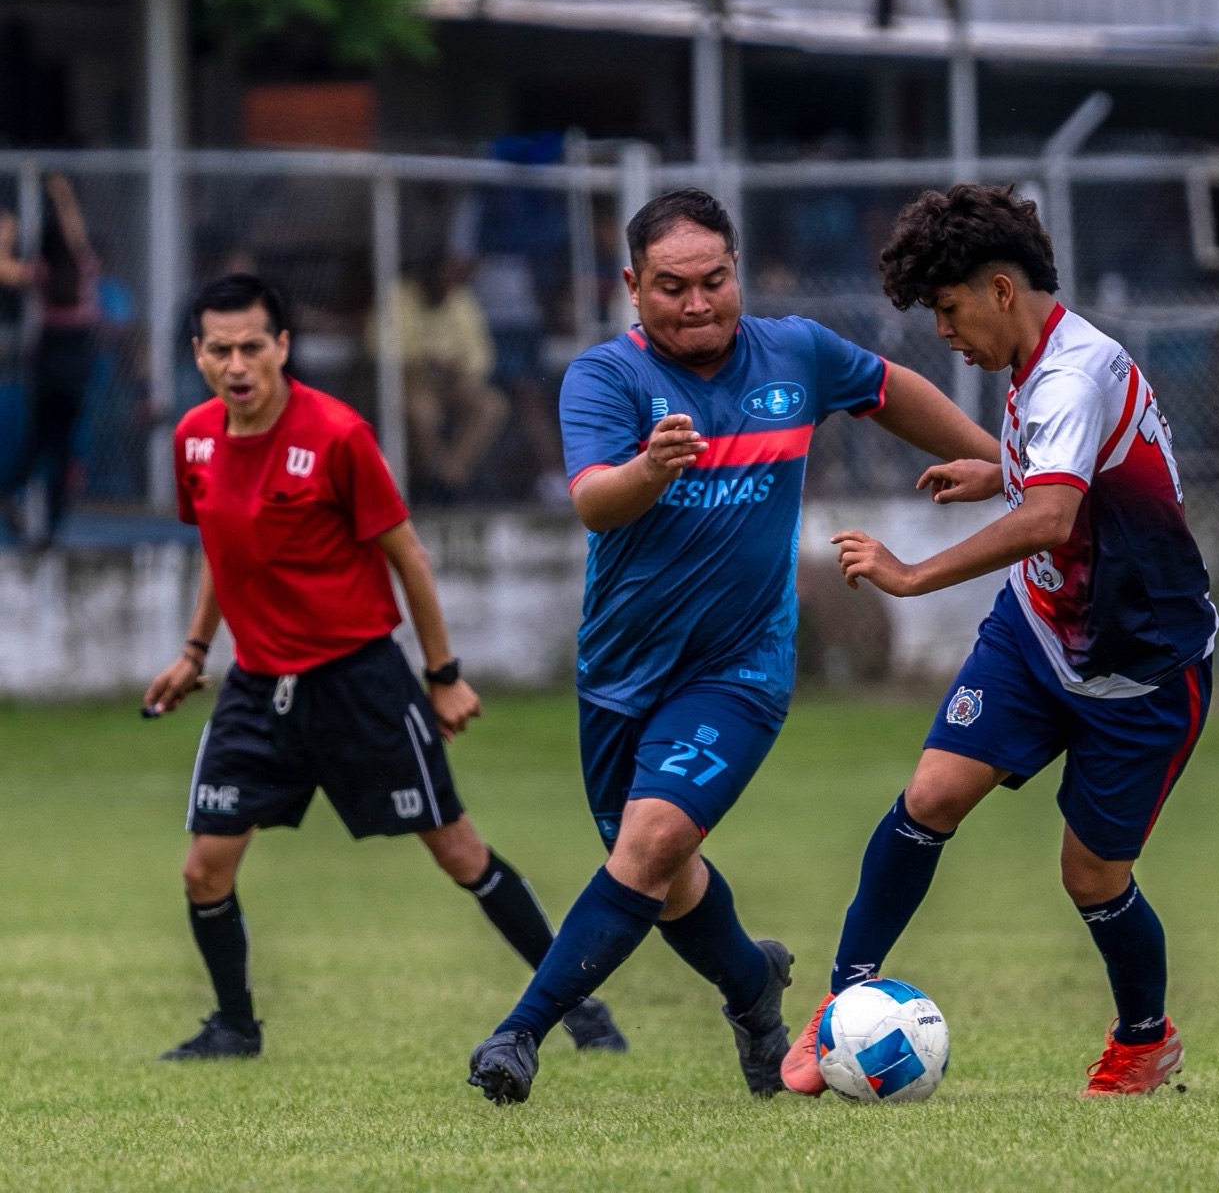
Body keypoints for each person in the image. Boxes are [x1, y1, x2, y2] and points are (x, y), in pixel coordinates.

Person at [464, 188, 998, 1105]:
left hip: (739, 670)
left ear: (736, 272)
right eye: (672, 287)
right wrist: (649, 468)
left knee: (651, 842)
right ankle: (754, 989)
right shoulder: (604, 378)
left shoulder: (795, 352)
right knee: (663, 877)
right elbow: (594, 502)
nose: (697, 303)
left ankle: (520, 1034)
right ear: (633, 286)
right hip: (621, 674)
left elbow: (888, 389)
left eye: (714, 280)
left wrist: (1005, 462)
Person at [779, 184, 1218, 1099]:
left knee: (1091, 877)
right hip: (1038, 630)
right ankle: (842, 1002)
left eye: (949, 309)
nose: (944, 331)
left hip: (1141, 668)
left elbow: (1052, 517)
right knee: (932, 793)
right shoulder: (1040, 360)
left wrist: (911, 574)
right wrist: (1000, 470)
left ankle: (1145, 1040)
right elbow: (1065, 484)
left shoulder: (1070, 376)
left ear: (1002, 290)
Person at [146, 273, 625, 1060]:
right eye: (220, 350)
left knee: (459, 853)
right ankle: (234, 1026)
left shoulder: (336, 435)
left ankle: (577, 1005)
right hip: (259, 688)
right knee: (205, 868)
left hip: (359, 681)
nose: (237, 365)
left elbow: (410, 558)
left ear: (282, 347)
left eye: (252, 347)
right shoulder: (194, 438)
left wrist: (444, 675)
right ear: (197, 353)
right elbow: (222, 552)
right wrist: (195, 652)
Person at [0, 174, 100, 548]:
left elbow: (5, 269)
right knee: (60, 444)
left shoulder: (43, 274)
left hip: (50, 364)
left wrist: (6, 234)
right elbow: (76, 235)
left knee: (41, 440)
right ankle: (50, 522)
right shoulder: (83, 268)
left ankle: (13, 493)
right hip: (74, 366)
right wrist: (63, 195)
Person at [391, 257, 509, 497]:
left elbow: (481, 353)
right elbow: (381, 347)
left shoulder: (459, 297)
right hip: (412, 382)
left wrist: (458, 366)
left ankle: (451, 475)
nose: (447, 288)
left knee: (491, 406)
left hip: (453, 383)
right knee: (425, 413)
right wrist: (424, 359)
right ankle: (433, 480)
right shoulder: (399, 297)